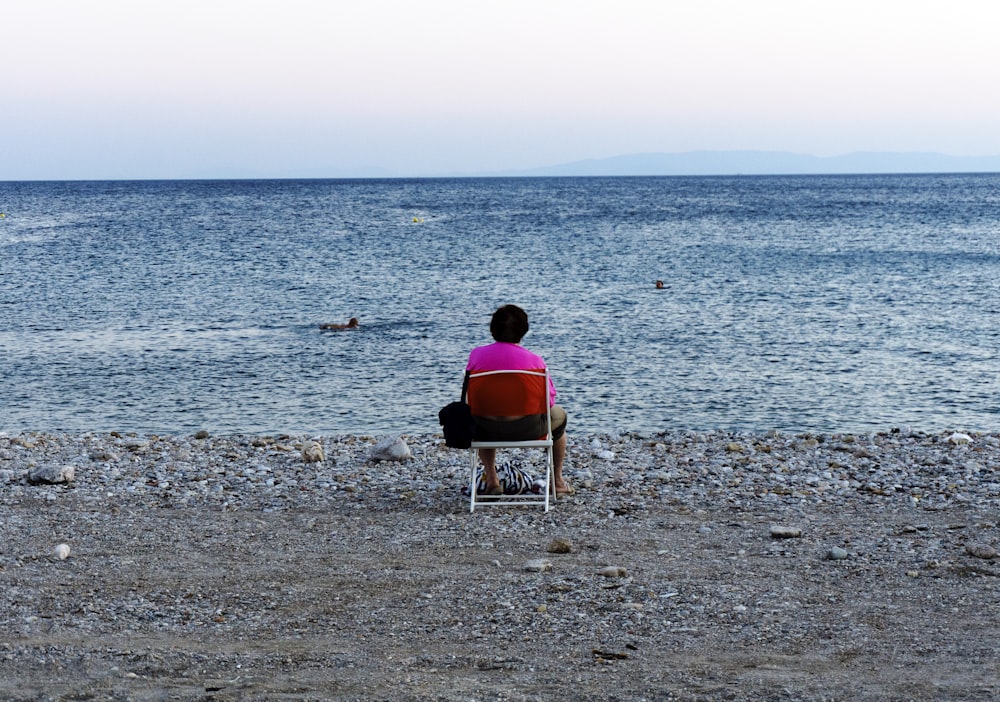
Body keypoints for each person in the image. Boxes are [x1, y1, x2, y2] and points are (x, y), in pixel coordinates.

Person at [464, 304, 572, 496]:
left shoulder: (476, 356)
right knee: (560, 416)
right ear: (523, 331)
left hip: (485, 427)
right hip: (527, 427)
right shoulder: (535, 361)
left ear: (492, 329)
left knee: (483, 414)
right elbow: (548, 402)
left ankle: (491, 479)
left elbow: (468, 396)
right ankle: (557, 481)